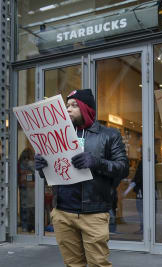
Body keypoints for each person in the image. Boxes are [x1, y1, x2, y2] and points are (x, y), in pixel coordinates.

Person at [34, 89, 129, 267]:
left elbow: (123, 169)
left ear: (87, 108)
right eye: (67, 105)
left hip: (93, 213)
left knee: (98, 264)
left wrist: (96, 162)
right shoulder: (57, 136)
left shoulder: (109, 135)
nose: (68, 109)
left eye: (74, 105)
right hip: (62, 212)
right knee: (72, 264)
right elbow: (51, 175)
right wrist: (42, 167)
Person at [18, 147, 35, 233]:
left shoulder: (20, 163)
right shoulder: (31, 163)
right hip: (31, 187)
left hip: (23, 186)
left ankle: (25, 226)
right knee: (32, 207)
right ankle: (32, 226)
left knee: (24, 207)